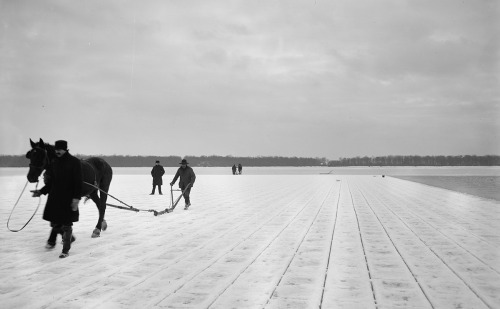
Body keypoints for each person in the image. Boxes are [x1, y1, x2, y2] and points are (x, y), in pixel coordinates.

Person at [31, 140, 82, 258]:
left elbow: (78, 183)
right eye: (56, 149)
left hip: (68, 199)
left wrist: (76, 199)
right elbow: (51, 183)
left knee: (67, 225)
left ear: (65, 149)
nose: (57, 151)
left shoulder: (74, 162)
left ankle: (65, 250)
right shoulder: (54, 162)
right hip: (54, 198)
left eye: (60, 149)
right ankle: (67, 240)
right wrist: (41, 191)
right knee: (54, 223)